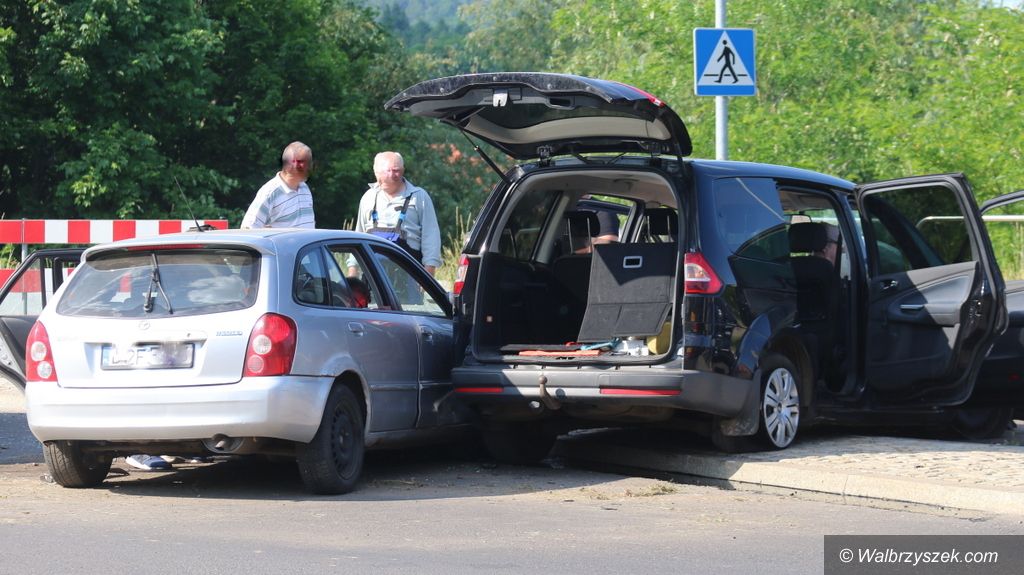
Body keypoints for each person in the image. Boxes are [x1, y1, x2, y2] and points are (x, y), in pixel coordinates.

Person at [352, 151, 441, 275]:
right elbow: (358, 235)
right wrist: (352, 271)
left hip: (409, 273)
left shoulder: (419, 197)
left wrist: (428, 273)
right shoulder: (368, 197)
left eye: (396, 170)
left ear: (403, 170)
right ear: (376, 172)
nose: (391, 175)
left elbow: (431, 237)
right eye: (386, 171)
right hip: (374, 275)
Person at [241, 141, 316, 229]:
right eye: (307, 162)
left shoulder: (304, 188)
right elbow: (248, 229)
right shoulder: (270, 192)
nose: (310, 167)